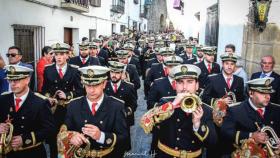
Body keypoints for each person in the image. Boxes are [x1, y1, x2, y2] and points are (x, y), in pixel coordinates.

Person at [140, 64, 217, 157]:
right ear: (175, 85)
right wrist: (171, 106)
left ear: (197, 85)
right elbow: (145, 123)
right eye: (180, 82)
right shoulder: (165, 102)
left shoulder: (207, 110)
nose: (185, 87)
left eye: (190, 82)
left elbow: (213, 143)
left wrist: (197, 124)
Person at [58, 65, 128, 157]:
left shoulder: (116, 106)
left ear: (104, 84)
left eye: (96, 85)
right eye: (88, 85)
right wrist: (71, 137)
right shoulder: (73, 105)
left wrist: (101, 136)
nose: (91, 90)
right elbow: (65, 130)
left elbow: (123, 138)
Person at [0, 65, 55, 157]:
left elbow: (50, 129)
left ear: (27, 80)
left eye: (17, 80)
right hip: (8, 153)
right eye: (10, 80)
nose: (13, 84)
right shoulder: (3, 99)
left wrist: (25, 139)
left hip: (32, 152)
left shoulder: (40, 102)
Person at [41, 42, 84, 158]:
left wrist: (68, 95)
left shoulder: (74, 70)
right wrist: (48, 97)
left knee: (68, 140)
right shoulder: (48, 70)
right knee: (53, 141)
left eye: (62, 54)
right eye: (56, 54)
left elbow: (81, 91)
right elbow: (44, 89)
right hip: (53, 111)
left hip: (68, 110)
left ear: (67, 55)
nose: (58, 57)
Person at [221, 77, 280, 156]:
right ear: (251, 93)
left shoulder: (277, 109)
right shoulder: (235, 110)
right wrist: (251, 135)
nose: (268, 97)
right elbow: (226, 133)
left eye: (269, 93)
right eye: (263, 93)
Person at [105, 61, 137, 151]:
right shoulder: (104, 85)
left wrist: (126, 111)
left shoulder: (129, 87)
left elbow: (134, 104)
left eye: (117, 72)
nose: (114, 75)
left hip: (123, 120)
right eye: (112, 72)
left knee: (122, 145)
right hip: (107, 119)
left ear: (122, 73)